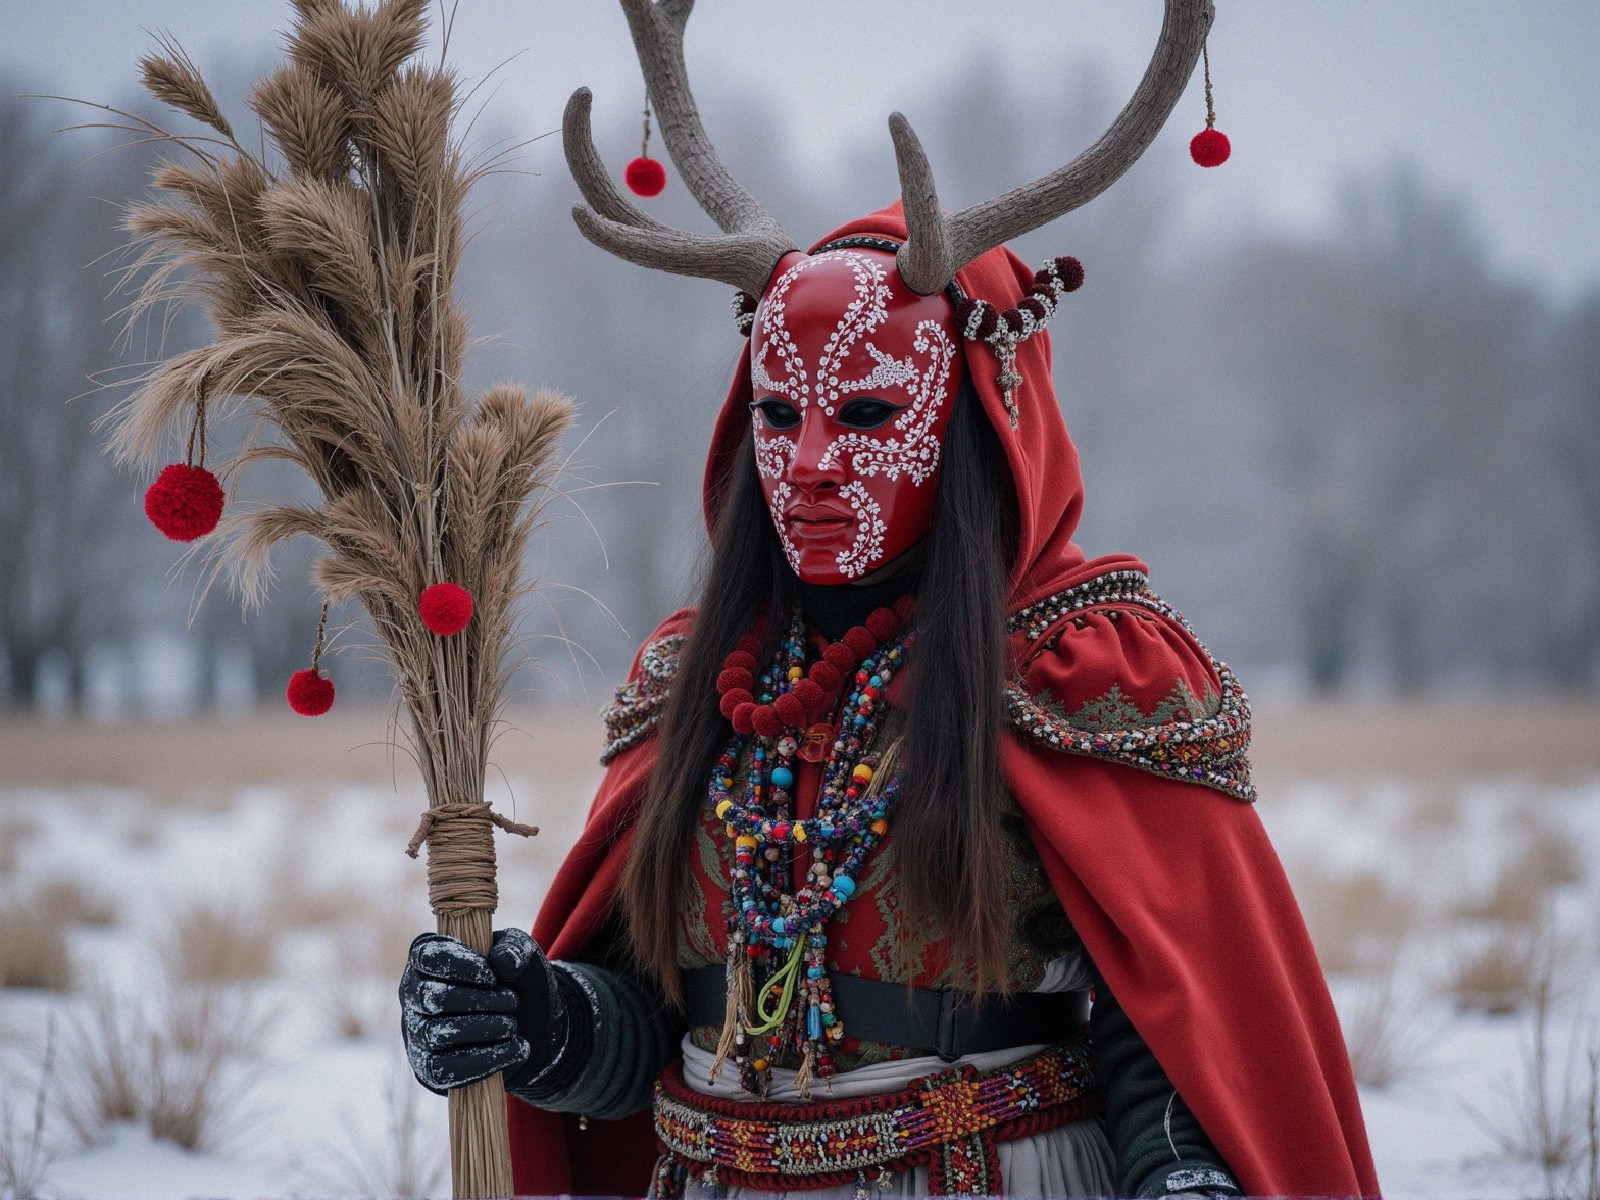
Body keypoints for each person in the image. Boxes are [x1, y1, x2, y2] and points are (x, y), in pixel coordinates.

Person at [399, 2, 1381, 1196]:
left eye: (863, 413)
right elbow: (660, 1025)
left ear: (980, 429)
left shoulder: (1082, 673)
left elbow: (1180, 1029)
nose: (807, 460)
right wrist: (540, 1023)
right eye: (776, 412)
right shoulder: (698, 680)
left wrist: (1185, 1176)